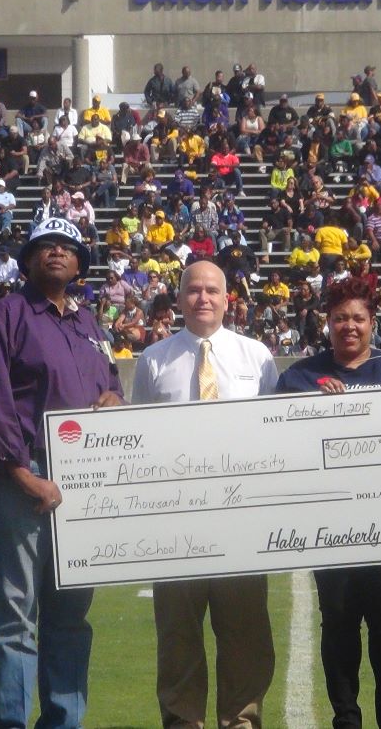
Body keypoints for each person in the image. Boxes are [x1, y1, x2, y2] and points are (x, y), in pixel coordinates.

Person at [0, 218, 124, 728]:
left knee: (71, 613)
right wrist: (19, 470)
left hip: (83, 479)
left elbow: (112, 384)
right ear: (28, 260)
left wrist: (115, 397)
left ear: (80, 263)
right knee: (16, 612)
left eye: (67, 246)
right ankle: (10, 721)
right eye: (44, 246)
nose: (56, 252)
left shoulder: (91, 324)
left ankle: (63, 720)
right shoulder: (5, 315)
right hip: (23, 474)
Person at [274, 276, 381, 729]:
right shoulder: (299, 377)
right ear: (326, 322)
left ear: (373, 322)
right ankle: (346, 720)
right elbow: (273, 445)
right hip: (327, 521)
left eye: (358, 318)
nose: (349, 326)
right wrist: (312, 413)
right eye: (340, 318)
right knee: (339, 624)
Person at [132, 260, 279, 729]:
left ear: (227, 298)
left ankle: (242, 720)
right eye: (193, 290)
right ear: (178, 299)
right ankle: (182, 720)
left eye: (212, 290)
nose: (203, 299)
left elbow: (276, 434)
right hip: (176, 523)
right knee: (177, 635)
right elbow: (139, 440)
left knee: (246, 635)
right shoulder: (154, 359)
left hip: (241, 522)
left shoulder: (257, 356)